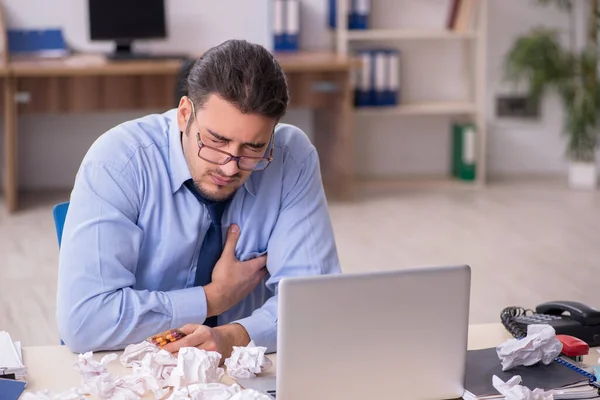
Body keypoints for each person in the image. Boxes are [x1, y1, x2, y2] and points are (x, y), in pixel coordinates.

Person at [56, 39, 341, 359]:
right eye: (216, 141)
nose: (230, 167)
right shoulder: (119, 161)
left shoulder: (291, 158)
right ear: (184, 114)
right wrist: (213, 298)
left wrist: (233, 337)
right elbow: (83, 323)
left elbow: (316, 305)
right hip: (130, 367)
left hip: (243, 370)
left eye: (253, 148)